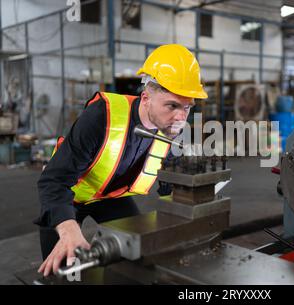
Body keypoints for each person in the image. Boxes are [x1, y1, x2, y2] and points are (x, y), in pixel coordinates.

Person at [35, 44, 207, 276]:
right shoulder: (101, 116)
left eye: (187, 108)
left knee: (137, 252)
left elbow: (170, 185)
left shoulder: (171, 130)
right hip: (68, 194)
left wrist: (183, 215)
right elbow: (53, 180)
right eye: (172, 105)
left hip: (111, 197)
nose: (180, 117)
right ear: (146, 98)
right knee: (63, 270)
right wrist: (67, 230)